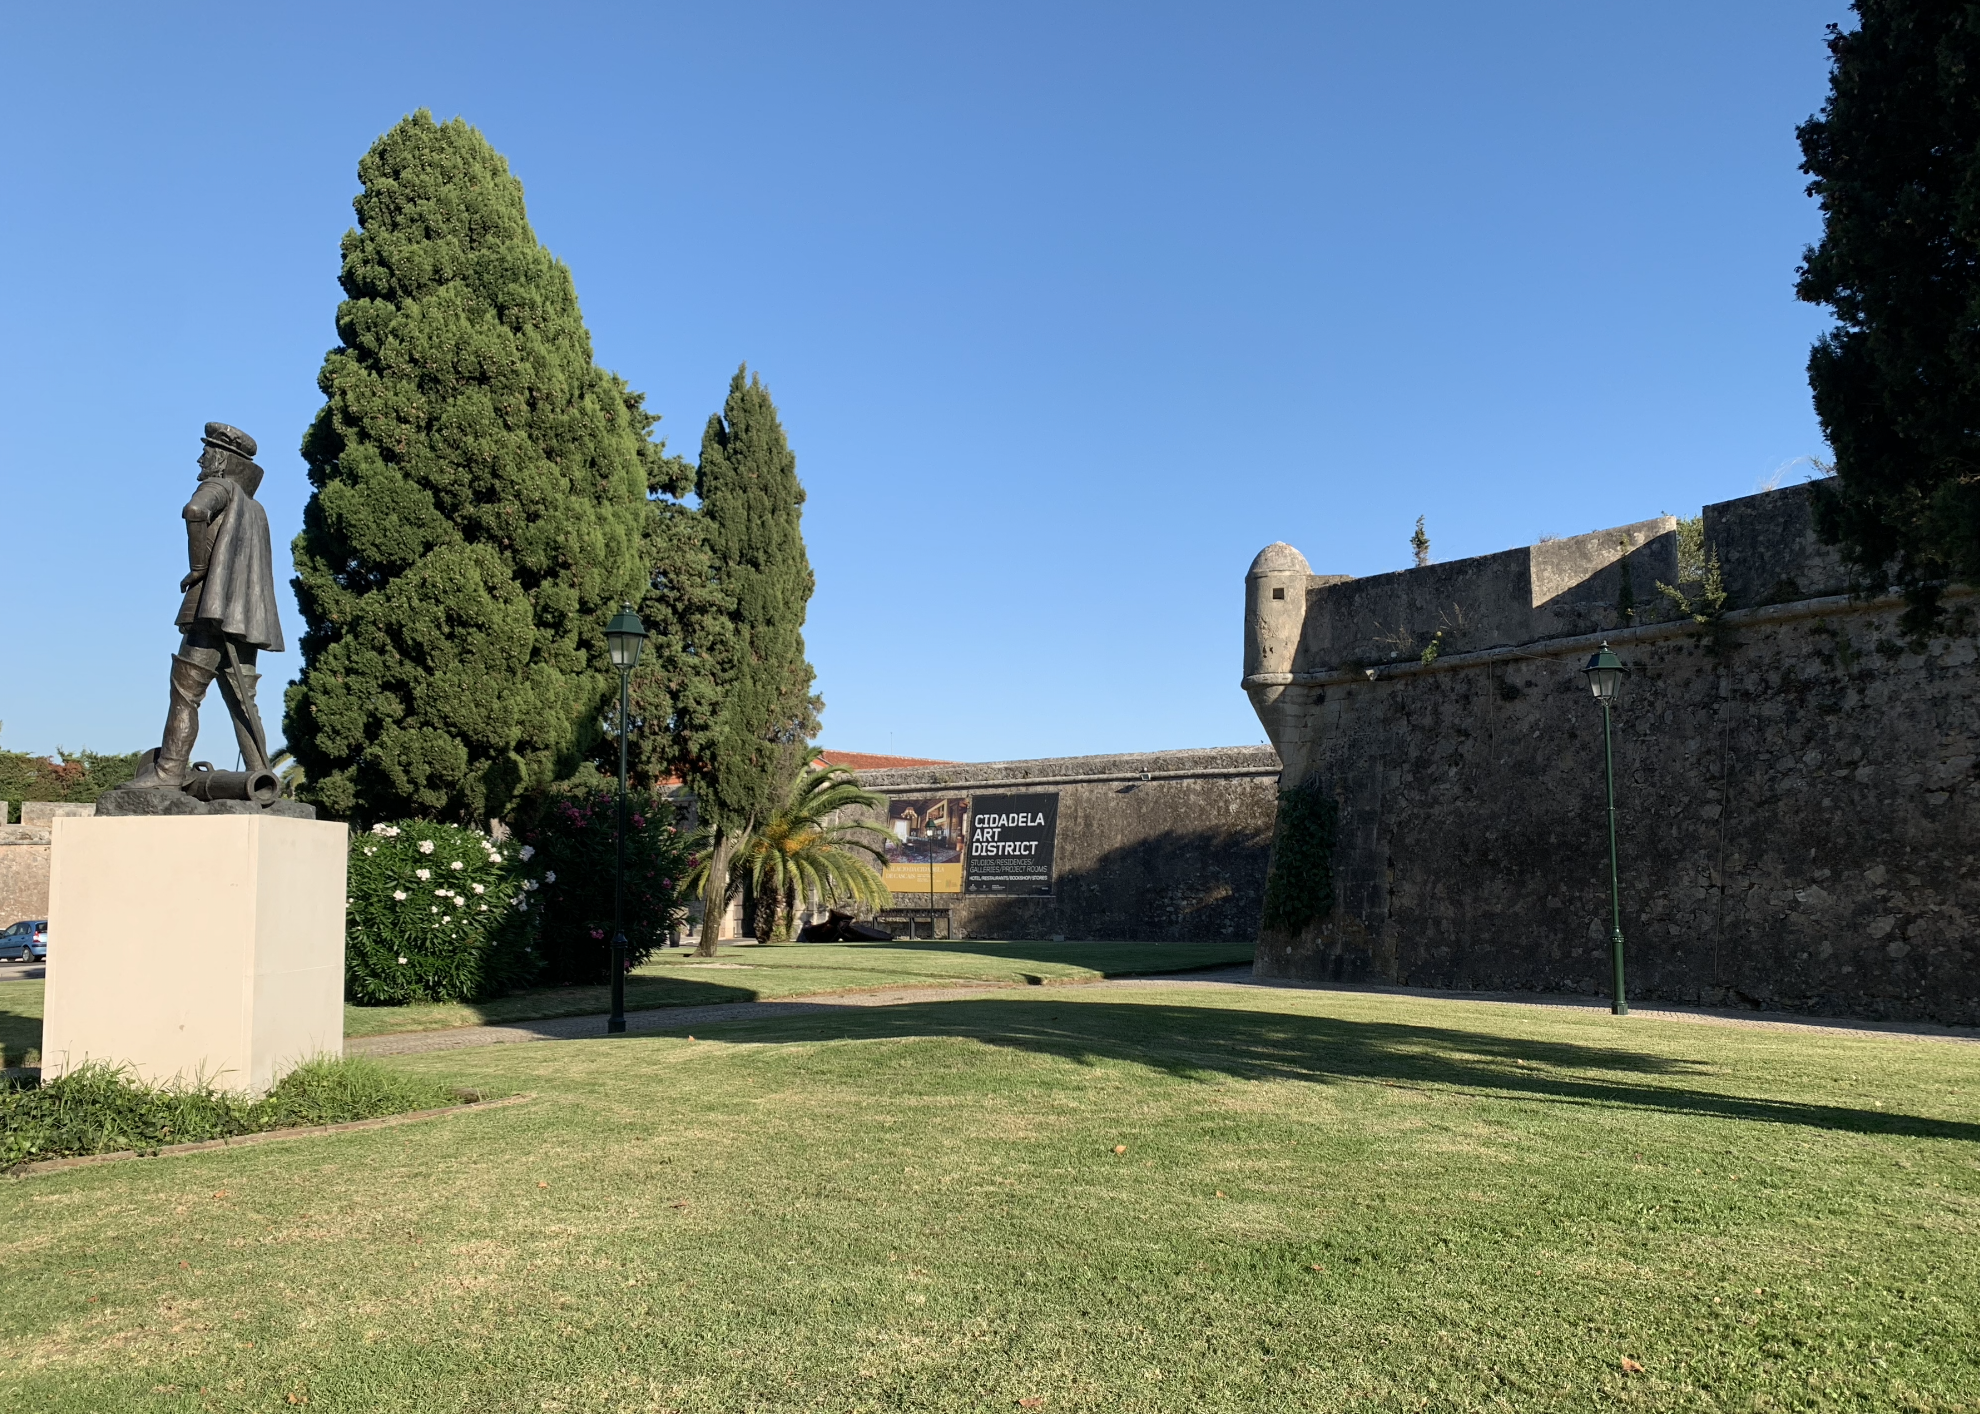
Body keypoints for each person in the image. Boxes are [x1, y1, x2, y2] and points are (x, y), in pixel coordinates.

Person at [128, 423, 285, 791]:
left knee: (185, 692)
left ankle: (168, 769)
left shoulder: (219, 487)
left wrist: (198, 567)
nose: (200, 459)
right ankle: (263, 776)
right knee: (244, 702)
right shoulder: (256, 509)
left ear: (220, 459)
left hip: (208, 613)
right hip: (246, 621)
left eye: (206, 452)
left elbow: (195, 510)